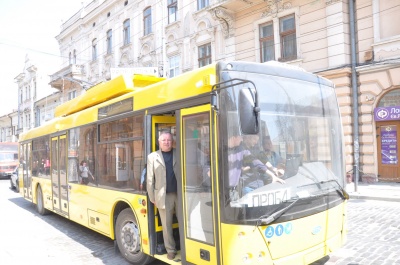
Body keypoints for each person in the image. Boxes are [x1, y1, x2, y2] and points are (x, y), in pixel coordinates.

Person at [147, 131, 178, 260]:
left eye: (169, 140)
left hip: (180, 195)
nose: (167, 142)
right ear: (159, 142)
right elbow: (150, 179)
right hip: (163, 196)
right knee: (166, 225)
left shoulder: (178, 152)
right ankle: (171, 250)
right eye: (164, 140)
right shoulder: (152, 157)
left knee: (184, 224)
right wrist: (152, 197)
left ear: (172, 141)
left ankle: (187, 247)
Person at [227, 134, 285, 199]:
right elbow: (247, 167)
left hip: (257, 186)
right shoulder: (238, 150)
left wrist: (274, 171)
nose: (241, 139)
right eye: (254, 139)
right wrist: (249, 167)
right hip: (246, 187)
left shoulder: (250, 150)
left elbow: (259, 161)